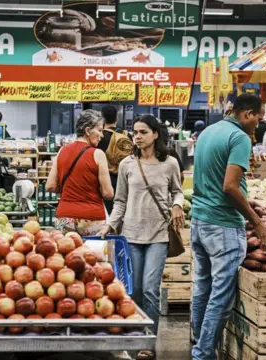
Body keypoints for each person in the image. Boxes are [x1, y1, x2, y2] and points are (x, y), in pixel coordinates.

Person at [190, 94, 266, 360]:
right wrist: (258, 223)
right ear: (247, 114)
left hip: (200, 221)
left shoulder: (208, 131)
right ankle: (203, 353)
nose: (258, 125)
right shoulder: (239, 138)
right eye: (259, 119)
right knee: (221, 296)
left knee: (202, 287)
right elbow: (230, 187)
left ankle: (199, 343)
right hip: (223, 225)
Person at [99, 114, 185, 360]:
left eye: (143, 132)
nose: (137, 136)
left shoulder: (169, 163)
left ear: (155, 134)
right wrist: (110, 225)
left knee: (150, 289)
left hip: (158, 234)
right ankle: (134, 335)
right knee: (133, 290)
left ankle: (148, 342)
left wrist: (178, 205)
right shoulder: (127, 164)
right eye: (135, 132)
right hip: (131, 234)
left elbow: (177, 192)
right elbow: (120, 201)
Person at [46, 110, 114, 235]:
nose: (102, 135)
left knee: (68, 253)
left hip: (65, 217)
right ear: (88, 131)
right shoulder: (98, 154)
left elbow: (50, 186)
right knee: (92, 254)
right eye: (99, 130)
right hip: (92, 218)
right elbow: (108, 193)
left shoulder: (62, 150)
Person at [97, 105, 133, 214]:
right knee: (122, 210)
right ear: (116, 118)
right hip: (125, 178)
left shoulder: (99, 136)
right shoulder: (126, 135)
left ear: (101, 119)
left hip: (104, 179)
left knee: (107, 212)